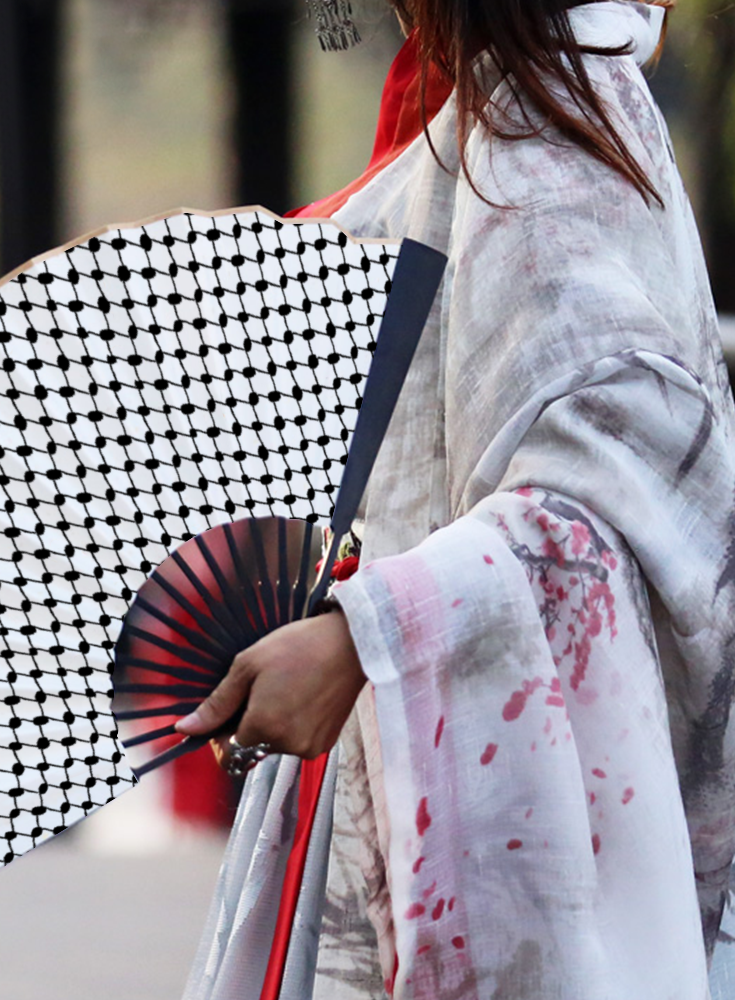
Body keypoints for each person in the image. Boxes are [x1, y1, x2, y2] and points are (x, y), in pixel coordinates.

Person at [174, 0, 735, 997]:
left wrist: (362, 635)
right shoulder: (506, 119)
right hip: (401, 749)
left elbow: (606, 501)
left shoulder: (549, 144)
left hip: (483, 777)